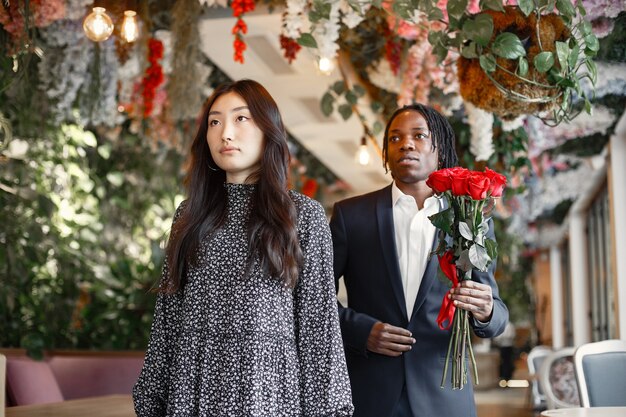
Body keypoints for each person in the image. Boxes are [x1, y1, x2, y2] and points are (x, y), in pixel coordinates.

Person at [133, 79, 353, 417]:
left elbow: (317, 324)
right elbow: (168, 318)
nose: (225, 134)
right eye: (215, 122)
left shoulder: (302, 215)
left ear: (269, 130)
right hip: (193, 387)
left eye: (240, 119)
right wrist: (150, 400)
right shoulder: (189, 215)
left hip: (267, 392)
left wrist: (329, 409)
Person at [329, 103, 509, 417]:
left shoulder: (470, 217)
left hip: (444, 394)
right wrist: (359, 331)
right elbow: (314, 298)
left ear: (440, 151)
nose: (406, 144)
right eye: (395, 139)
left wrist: (486, 310)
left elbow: (496, 314)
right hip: (370, 393)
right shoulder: (350, 215)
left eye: (419, 136)